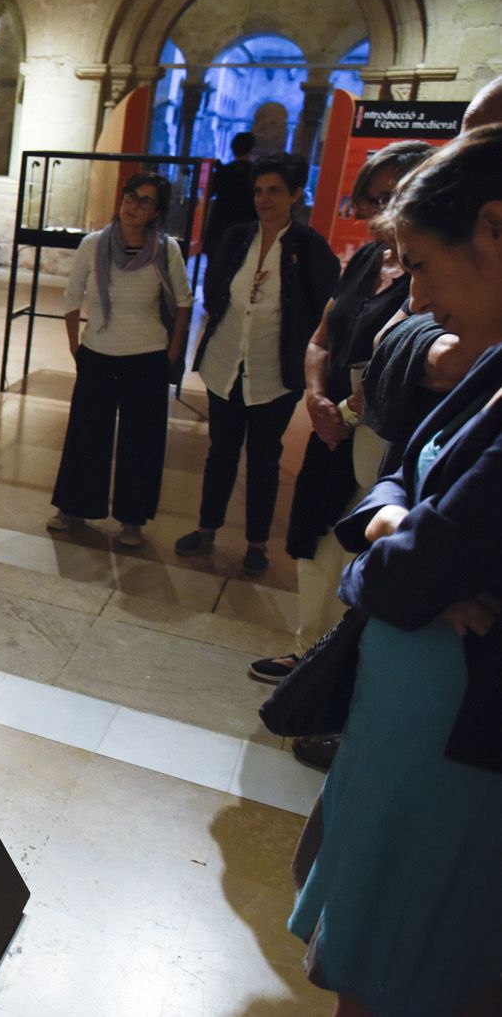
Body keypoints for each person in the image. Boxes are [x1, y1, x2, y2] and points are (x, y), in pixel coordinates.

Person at [287, 123, 502, 1017]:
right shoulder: (489, 364)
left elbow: (409, 575)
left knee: (411, 969)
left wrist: (394, 544)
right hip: (410, 722)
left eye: (418, 264)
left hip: (458, 742)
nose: (412, 295)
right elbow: (401, 471)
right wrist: (394, 520)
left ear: (493, 229)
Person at [245, 141, 433, 683]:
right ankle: (307, 652)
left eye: (387, 199)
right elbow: (323, 336)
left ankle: (338, 664)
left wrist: (346, 413)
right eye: (368, 201)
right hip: (331, 427)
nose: (375, 213)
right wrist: (314, 397)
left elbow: (418, 361)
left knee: (359, 546)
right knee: (315, 538)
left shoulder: (427, 272)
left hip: (377, 437)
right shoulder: (371, 259)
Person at [176, 153, 340, 573]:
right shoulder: (236, 237)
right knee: (221, 452)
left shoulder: (310, 247)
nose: (263, 199)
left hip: (274, 372)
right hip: (226, 363)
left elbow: (325, 310)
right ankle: (207, 528)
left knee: (264, 457)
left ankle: (257, 543)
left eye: (274, 191)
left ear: (295, 196)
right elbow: (214, 291)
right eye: (258, 191)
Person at [47, 171, 191, 546]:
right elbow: (72, 296)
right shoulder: (94, 245)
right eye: (131, 195)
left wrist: (173, 351)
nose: (133, 205)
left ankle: (132, 518)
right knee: (85, 434)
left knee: (141, 441)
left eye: (145, 201)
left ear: (156, 211)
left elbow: (184, 301)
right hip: (98, 352)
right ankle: (74, 506)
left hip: (147, 355)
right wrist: (75, 345)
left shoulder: (165, 249)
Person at [201, 131, 258, 262]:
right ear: (251, 149)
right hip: (245, 229)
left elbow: (209, 193)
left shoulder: (224, 171)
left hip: (220, 229)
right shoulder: (256, 174)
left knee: (214, 269)